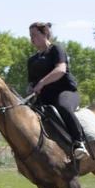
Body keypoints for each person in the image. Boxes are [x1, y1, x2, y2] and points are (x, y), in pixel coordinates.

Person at [26, 22, 89, 160]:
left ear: (45, 34)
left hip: (66, 92)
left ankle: (79, 143)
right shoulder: (32, 60)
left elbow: (60, 70)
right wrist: (30, 88)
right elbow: (31, 84)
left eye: (34, 35)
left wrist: (41, 82)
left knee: (62, 106)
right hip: (44, 98)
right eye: (30, 35)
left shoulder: (56, 50)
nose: (32, 38)